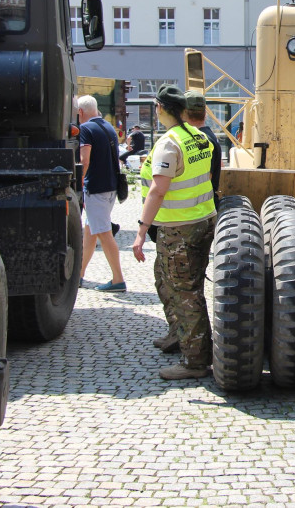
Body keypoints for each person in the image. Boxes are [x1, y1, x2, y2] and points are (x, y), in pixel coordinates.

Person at [131, 84, 216, 380]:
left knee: (185, 293)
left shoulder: (170, 143)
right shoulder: (199, 137)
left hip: (179, 230)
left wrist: (141, 230)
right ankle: (187, 342)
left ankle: (195, 363)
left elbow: (158, 190)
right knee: (186, 288)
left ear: (161, 109)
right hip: (202, 222)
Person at [77, 95, 127, 292]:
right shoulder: (108, 127)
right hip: (111, 186)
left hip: (96, 188)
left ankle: (118, 279)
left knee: (104, 234)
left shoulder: (85, 129)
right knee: (90, 233)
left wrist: (79, 183)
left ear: (80, 112)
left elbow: (84, 160)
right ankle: (79, 275)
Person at [183, 90, 221, 209]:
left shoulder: (200, 140)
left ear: (183, 113)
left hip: (197, 208)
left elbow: (204, 179)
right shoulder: (209, 136)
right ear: (205, 113)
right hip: (205, 205)